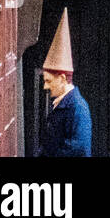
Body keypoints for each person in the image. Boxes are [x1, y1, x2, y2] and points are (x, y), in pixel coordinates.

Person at [38, 8, 92, 157]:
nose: (45, 86)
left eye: (48, 81)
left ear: (62, 78)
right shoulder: (63, 104)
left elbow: (79, 148)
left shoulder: (77, 107)